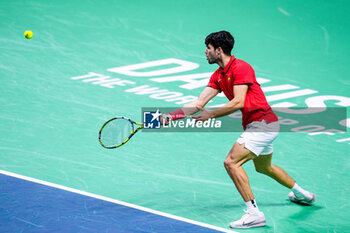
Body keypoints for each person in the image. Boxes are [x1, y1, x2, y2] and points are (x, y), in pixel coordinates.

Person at [161, 31, 316, 229]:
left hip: (263, 123)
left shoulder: (241, 68)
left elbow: (238, 102)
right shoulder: (218, 76)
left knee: (231, 163)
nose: (205, 52)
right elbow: (199, 102)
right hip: (259, 125)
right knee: (264, 167)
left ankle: (254, 214)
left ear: (218, 50)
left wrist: (211, 115)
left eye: (208, 48)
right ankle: (304, 194)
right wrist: (171, 116)